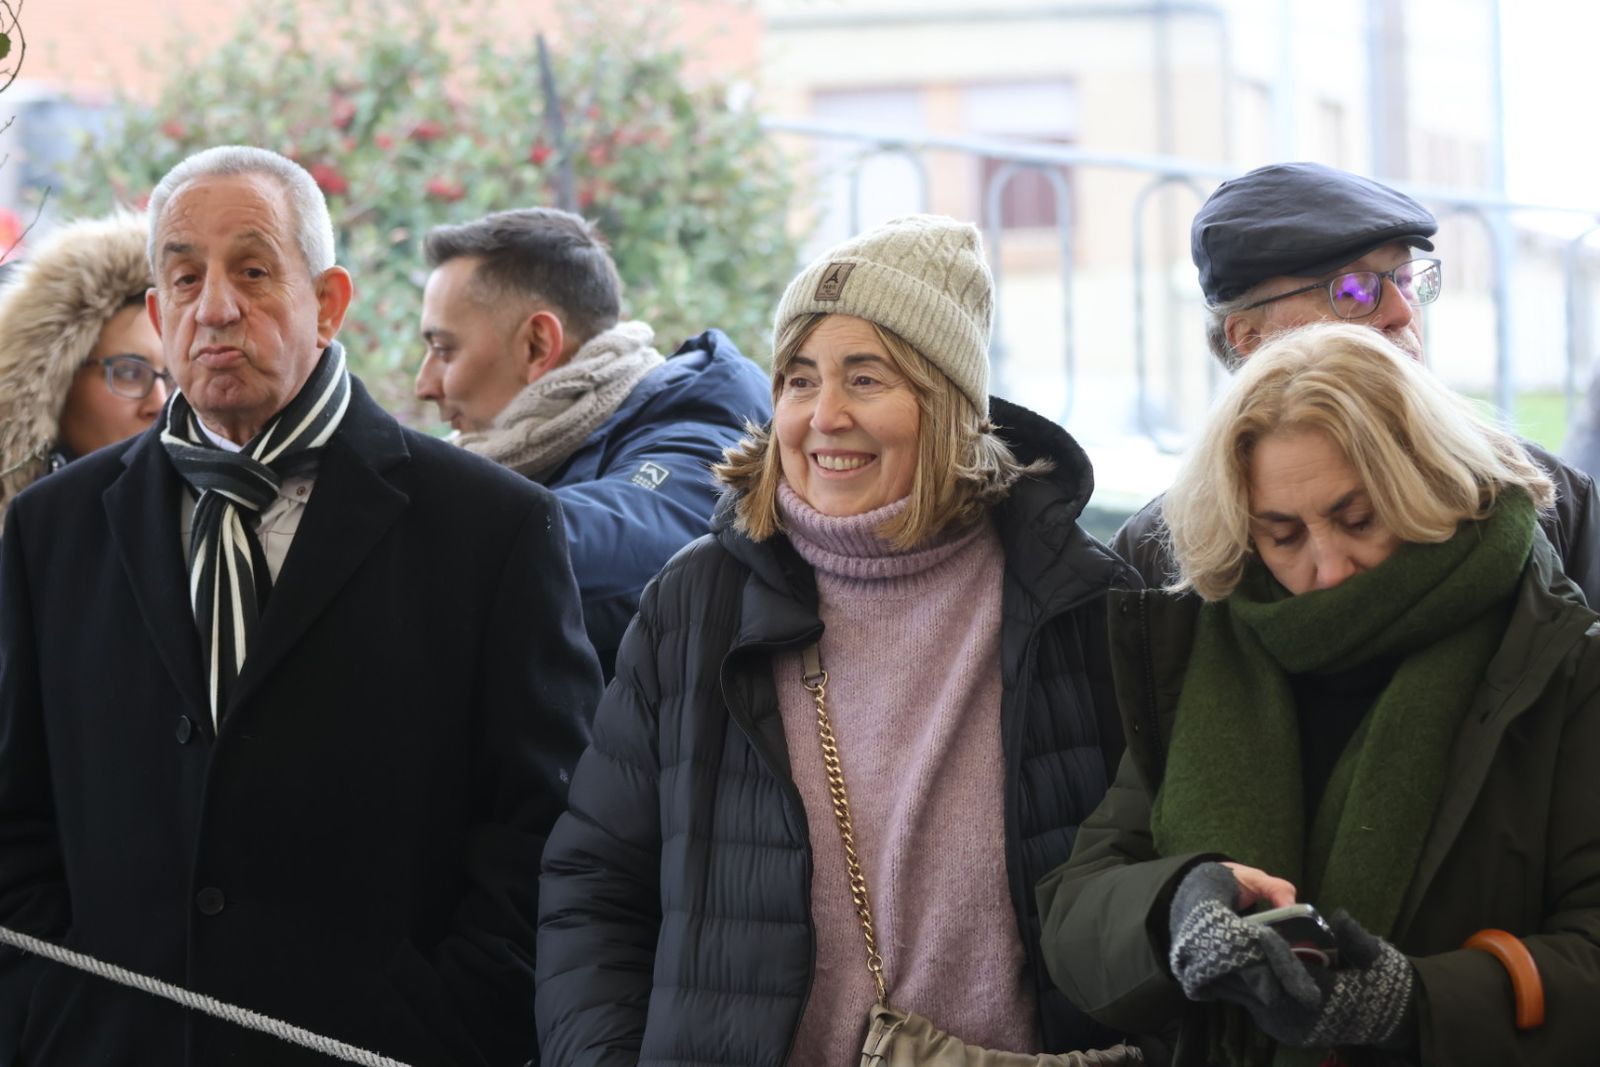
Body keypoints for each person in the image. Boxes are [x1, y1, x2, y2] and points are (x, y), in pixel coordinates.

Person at [0, 146, 600, 1065]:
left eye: (252, 269)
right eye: (186, 278)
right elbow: (16, 816)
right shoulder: (54, 529)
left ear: (328, 301)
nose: (217, 308)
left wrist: (448, 1021)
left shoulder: (489, 528)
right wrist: (52, 1013)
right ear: (158, 315)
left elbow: (543, 826)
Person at [536, 215, 1140, 1064]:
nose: (825, 416)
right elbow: (595, 886)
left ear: (950, 404)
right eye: (798, 379)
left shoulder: (1081, 602)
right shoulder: (696, 601)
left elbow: (1147, 885)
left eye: (866, 378)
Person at [1038, 322, 1600, 1065]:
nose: (1328, 568)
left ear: (1426, 479)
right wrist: (1174, 906)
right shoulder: (1211, 652)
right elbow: (1076, 908)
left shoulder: (1562, 664)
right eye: (1282, 534)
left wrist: (1413, 1004)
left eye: (1357, 518)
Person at [1115, 161, 1600, 605]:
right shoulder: (1163, 558)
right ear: (1249, 336)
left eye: (1405, 280)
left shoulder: (1545, 499)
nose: (1400, 312)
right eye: (1351, 290)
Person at [415, 208, 771, 677]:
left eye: (444, 351)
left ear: (538, 345)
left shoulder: (705, 433)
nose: (424, 384)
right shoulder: (524, 450)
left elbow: (613, 540)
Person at [0, 212, 170, 524]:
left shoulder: (203, 531)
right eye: (130, 372)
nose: (160, 403)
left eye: (172, 378)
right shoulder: (25, 535)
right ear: (56, 383)